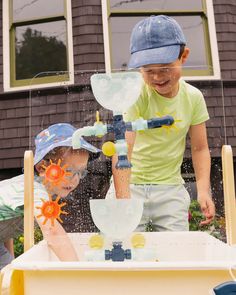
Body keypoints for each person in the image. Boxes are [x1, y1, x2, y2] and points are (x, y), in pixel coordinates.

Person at [112, 15, 215, 231]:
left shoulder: (193, 98)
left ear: (183, 56)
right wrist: (123, 199)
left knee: (176, 253)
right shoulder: (136, 94)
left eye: (166, 67)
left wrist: (203, 190)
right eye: (149, 70)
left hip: (170, 189)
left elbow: (200, 148)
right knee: (122, 247)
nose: (158, 76)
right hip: (131, 185)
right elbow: (123, 150)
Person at [0, 123, 100, 267]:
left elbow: (5, 221)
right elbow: (53, 232)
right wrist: (77, 271)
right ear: (42, 168)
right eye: (69, 171)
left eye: (80, 172)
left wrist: (12, 259)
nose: (75, 179)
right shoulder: (32, 189)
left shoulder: (35, 192)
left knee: (9, 282)